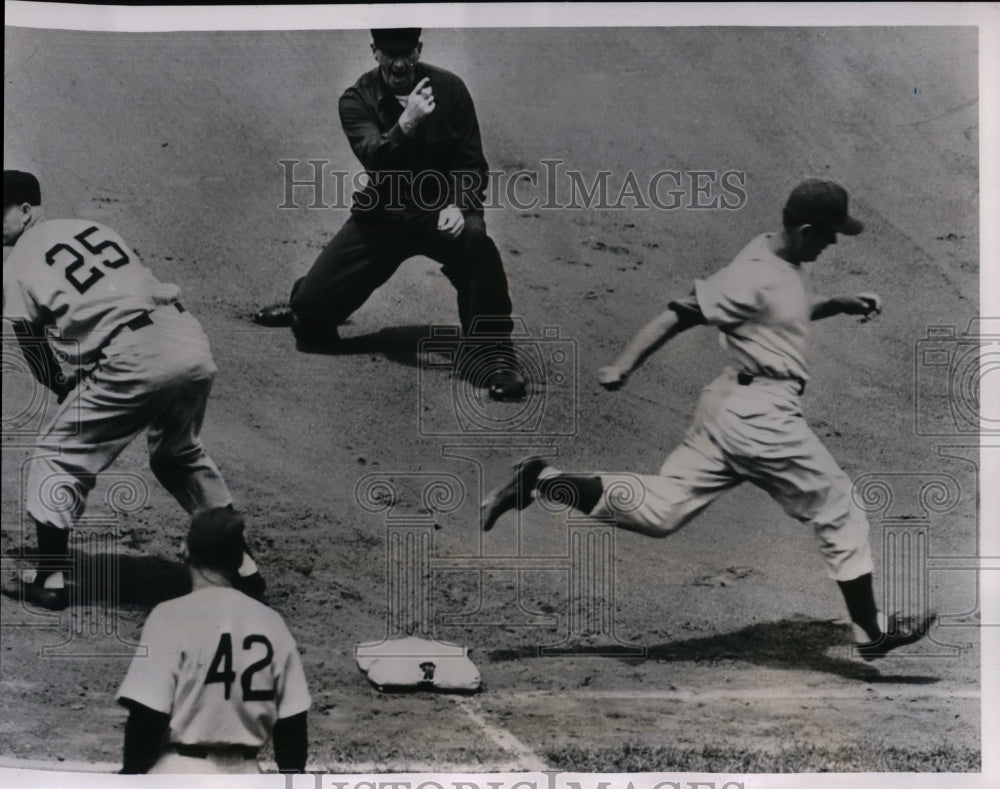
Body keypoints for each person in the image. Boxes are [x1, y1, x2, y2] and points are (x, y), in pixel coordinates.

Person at [481, 178, 936, 661]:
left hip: (729, 409)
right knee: (837, 505)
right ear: (805, 229)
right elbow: (679, 313)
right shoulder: (754, 272)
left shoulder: (783, 258)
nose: (834, 242)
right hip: (761, 418)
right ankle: (872, 632)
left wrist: (835, 304)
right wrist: (624, 365)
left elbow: (776, 315)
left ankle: (541, 481)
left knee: (662, 509)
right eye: (830, 233)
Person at [2, 170, 263, 610]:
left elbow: (31, 338)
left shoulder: (18, 260)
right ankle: (242, 566)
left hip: (137, 354)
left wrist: (62, 383)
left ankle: (48, 579)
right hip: (186, 338)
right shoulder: (94, 228)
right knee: (178, 455)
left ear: (27, 211)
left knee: (57, 453)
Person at [254, 28, 526, 400]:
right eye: (389, 53)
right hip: (382, 215)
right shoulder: (356, 99)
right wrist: (407, 122)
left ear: (418, 49)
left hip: (440, 212)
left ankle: (494, 356)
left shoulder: (451, 89)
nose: (398, 63)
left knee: (477, 240)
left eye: (406, 53)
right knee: (311, 323)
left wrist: (460, 204)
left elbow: (473, 165)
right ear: (375, 52)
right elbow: (373, 158)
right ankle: (305, 300)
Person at [117, 507, 310, 774]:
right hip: (247, 774)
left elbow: (147, 718)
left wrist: (131, 777)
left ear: (185, 549)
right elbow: (292, 725)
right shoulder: (272, 622)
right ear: (239, 560)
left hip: (180, 772)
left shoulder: (169, 616)